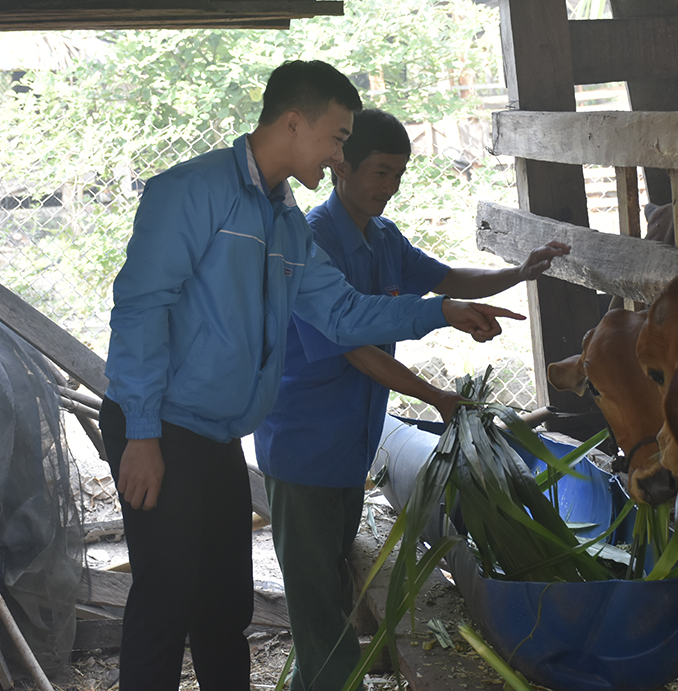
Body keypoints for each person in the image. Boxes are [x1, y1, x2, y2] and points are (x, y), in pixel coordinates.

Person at [99, 62, 522, 691]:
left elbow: (344, 311)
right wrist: (140, 435)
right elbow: (139, 310)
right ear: (293, 123)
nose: (339, 155)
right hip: (158, 423)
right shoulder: (191, 192)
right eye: (337, 137)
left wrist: (441, 311)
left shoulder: (285, 221)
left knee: (224, 609)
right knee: (165, 602)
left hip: (215, 434)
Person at [255, 107, 570, 691]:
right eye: (379, 171)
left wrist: (520, 272)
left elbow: (447, 278)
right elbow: (352, 345)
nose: (389, 187)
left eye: (398, 174)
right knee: (317, 602)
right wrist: (435, 396)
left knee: (327, 593)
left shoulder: (382, 239)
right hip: (304, 448)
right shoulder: (313, 241)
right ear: (342, 165)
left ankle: (314, 681)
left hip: (350, 444)